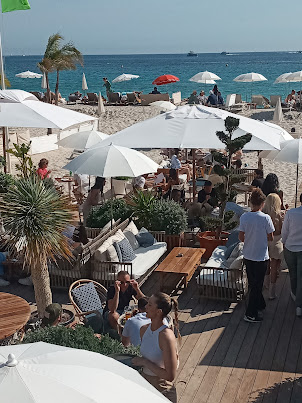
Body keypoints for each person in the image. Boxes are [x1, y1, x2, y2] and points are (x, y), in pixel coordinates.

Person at [132, 292, 179, 403]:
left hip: (162, 390)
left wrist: (145, 362)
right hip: (145, 386)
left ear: (159, 312)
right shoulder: (144, 330)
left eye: (150, 305)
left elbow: (170, 375)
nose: (145, 307)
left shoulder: (166, 336)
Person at [239, 188, 275, 322]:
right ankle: (250, 313)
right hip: (261, 256)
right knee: (256, 285)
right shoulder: (266, 218)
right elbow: (271, 237)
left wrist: (251, 238)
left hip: (248, 255)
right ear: (262, 203)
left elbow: (241, 237)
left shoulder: (244, 217)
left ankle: (260, 304)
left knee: (253, 283)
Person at [281, 193, 302, 316]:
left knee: (293, 274)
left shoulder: (291, 213)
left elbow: (285, 231)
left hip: (290, 248)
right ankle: (299, 305)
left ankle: (294, 294)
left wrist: (284, 242)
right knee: (301, 277)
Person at [262, 194, 283, 299]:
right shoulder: (279, 214)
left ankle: (266, 283)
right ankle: (272, 291)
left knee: (266, 264)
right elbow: (282, 230)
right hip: (276, 241)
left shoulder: (263, 214)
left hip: (265, 241)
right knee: (274, 267)